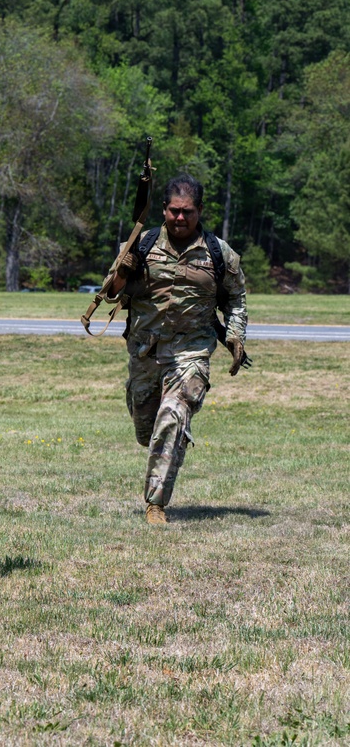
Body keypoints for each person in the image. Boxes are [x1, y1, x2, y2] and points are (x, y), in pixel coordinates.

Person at [106, 174, 247, 525]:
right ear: (164, 210)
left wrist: (234, 335)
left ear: (199, 211)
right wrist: (122, 272)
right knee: (147, 428)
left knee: (173, 415)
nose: (180, 218)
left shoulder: (219, 253)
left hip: (191, 352)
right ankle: (157, 439)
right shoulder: (140, 244)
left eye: (187, 212)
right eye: (173, 211)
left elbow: (237, 300)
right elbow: (110, 293)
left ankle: (155, 504)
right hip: (145, 351)